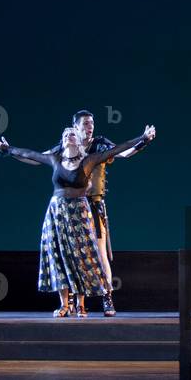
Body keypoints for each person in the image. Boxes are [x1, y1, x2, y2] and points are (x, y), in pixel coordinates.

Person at [0, 124, 156, 317]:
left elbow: (117, 149)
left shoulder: (89, 160)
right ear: (63, 140)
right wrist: (6, 149)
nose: (69, 136)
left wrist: (142, 137)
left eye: (72, 134)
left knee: (81, 257)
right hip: (57, 213)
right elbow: (31, 154)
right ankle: (64, 305)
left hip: (79, 212)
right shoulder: (55, 159)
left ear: (78, 140)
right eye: (66, 134)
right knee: (59, 257)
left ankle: (81, 304)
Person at [46, 110, 142, 316]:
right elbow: (41, 157)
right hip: (68, 207)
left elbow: (123, 152)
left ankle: (107, 298)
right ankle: (70, 302)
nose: (90, 127)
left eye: (92, 123)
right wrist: (8, 150)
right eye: (86, 123)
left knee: (99, 253)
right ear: (76, 126)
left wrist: (143, 140)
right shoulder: (66, 144)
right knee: (68, 254)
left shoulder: (99, 144)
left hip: (92, 205)